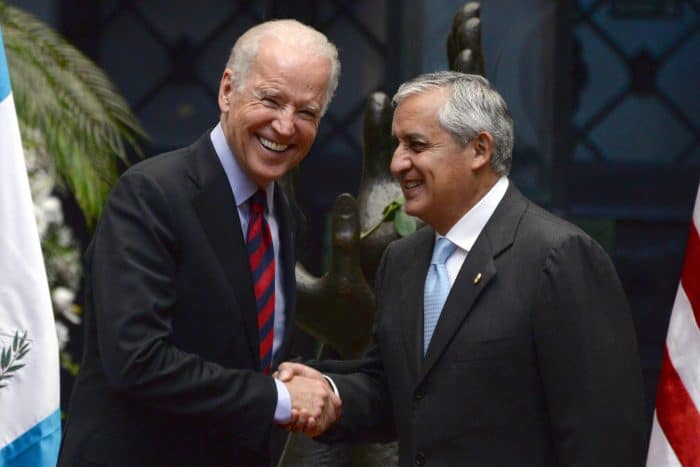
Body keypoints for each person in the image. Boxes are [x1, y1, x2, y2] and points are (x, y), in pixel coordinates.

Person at [279, 71, 648, 466]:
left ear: (479, 150)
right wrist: (326, 389)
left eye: (416, 145)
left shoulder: (558, 256)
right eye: (397, 145)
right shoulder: (402, 260)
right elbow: (396, 391)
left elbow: (602, 436)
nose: (399, 163)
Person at [58, 19, 341, 467]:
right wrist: (280, 397)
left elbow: (245, 347)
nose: (285, 127)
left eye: (306, 112)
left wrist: (302, 381)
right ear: (227, 90)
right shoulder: (152, 194)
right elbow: (137, 360)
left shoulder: (282, 213)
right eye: (270, 100)